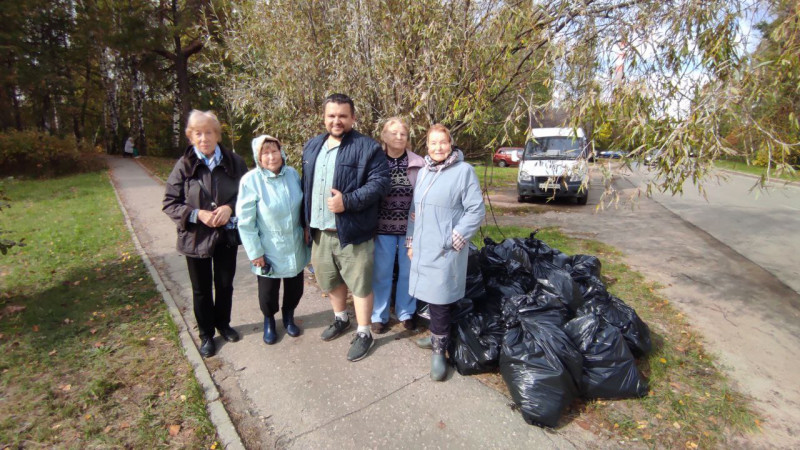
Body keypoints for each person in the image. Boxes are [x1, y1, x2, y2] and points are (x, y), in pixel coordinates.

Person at [301, 93, 390, 362]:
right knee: (330, 281)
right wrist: (305, 224)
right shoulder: (312, 146)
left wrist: (347, 202)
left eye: (342, 116)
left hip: (352, 232)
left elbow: (380, 184)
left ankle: (364, 332)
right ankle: (341, 318)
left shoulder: (368, 147)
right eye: (331, 115)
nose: (336, 120)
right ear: (324, 117)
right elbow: (306, 186)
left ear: (353, 118)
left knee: (360, 285)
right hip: (320, 231)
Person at [163, 110, 248, 358]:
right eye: (198, 133)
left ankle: (223, 325)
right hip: (195, 238)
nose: (204, 138)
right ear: (190, 137)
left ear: (217, 134)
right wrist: (196, 214)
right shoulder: (184, 165)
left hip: (226, 236)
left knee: (224, 284)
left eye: (208, 132)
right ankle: (206, 334)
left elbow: (248, 195)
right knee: (200, 289)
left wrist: (230, 208)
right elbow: (170, 202)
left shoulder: (235, 162)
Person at [406, 124, 485, 381]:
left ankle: (439, 352)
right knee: (430, 298)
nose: (438, 147)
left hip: (444, 249)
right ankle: (436, 337)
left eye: (443, 142)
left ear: (451, 144)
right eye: (433, 143)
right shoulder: (424, 172)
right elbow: (414, 211)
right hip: (424, 246)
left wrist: (453, 239)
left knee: (440, 300)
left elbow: (476, 210)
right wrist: (411, 242)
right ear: (427, 146)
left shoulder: (464, 171)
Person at [236, 135, 310, 345]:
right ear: (258, 158)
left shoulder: (292, 174)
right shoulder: (251, 181)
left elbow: (304, 205)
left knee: (295, 288)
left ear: (281, 152)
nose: (271, 157)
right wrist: (255, 252)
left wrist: (306, 227)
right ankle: (269, 320)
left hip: (294, 243)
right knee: (268, 293)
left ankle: (288, 316)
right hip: (268, 246)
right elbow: (246, 222)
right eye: (265, 153)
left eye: (274, 151)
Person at [370, 117, 425, 334]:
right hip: (382, 228)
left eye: (403, 133)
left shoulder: (418, 163)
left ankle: (406, 312)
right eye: (394, 133)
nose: (399, 137)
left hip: (409, 229)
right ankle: (379, 315)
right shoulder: (375, 161)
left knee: (408, 273)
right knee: (381, 273)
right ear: (384, 136)